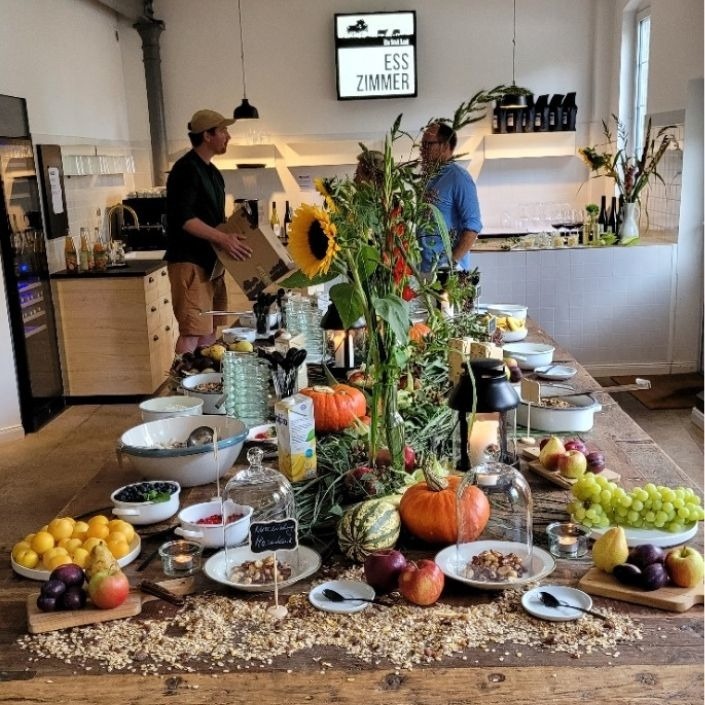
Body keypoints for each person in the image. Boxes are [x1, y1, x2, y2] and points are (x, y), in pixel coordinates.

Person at [165, 109, 253, 354]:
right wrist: (224, 238)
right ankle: (182, 388)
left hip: (211, 264)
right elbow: (184, 219)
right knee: (192, 332)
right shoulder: (186, 170)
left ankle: (203, 386)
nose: (228, 136)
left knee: (209, 332)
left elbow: (213, 219)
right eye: (223, 130)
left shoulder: (212, 172)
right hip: (190, 262)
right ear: (207, 135)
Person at [418, 122, 482, 274]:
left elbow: (473, 226)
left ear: (445, 146)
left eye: (428, 144)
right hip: (426, 269)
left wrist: (450, 264)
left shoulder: (459, 177)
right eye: (422, 144)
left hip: (448, 272)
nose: (422, 149)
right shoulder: (428, 178)